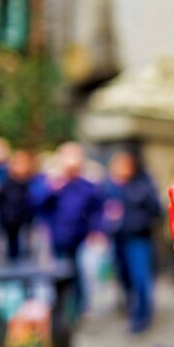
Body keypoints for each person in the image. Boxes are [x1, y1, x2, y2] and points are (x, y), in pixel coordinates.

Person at [100, 149, 162, 333]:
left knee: (140, 278)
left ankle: (142, 315)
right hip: (118, 239)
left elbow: (156, 211)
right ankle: (130, 307)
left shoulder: (142, 185)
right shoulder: (109, 186)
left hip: (138, 239)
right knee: (124, 277)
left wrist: (141, 223)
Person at [37, 142, 103, 315]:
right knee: (58, 276)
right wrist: (53, 187)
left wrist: (96, 230)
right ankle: (61, 309)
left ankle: (79, 308)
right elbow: (38, 204)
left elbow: (96, 208)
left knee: (80, 275)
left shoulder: (87, 184)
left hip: (80, 238)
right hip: (56, 238)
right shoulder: (51, 182)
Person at [0, 150, 35, 262]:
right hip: (10, 217)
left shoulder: (31, 182)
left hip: (25, 218)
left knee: (26, 245)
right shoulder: (7, 180)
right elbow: (0, 198)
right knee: (11, 245)